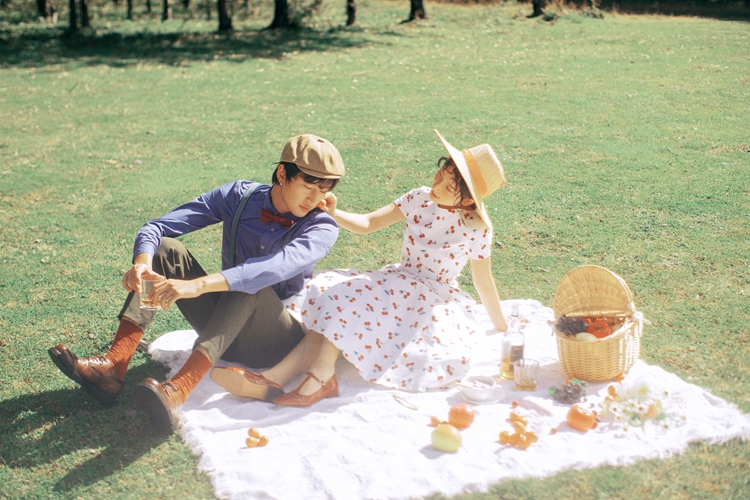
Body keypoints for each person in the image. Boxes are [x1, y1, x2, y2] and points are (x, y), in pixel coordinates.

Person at [48, 134, 346, 433]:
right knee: (166, 250)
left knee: (250, 282)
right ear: (283, 174)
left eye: (323, 190)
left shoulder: (322, 226)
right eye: (308, 186)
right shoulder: (239, 197)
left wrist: (198, 285)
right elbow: (157, 227)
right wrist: (142, 263)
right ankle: (114, 366)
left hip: (277, 342)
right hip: (224, 327)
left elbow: (270, 270)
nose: (314, 199)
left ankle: (178, 390)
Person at [209, 130, 508, 407]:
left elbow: (484, 281)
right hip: (400, 277)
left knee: (350, 302)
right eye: (439, 175)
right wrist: (334, 213)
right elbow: (369, 224)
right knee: (340, 294)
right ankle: (275, 378)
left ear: (468, 200)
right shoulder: (419, 198)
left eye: (447, 187)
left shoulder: (476, 228)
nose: (436, 185)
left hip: (432, 296)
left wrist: (501, 325)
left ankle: (318, 377)